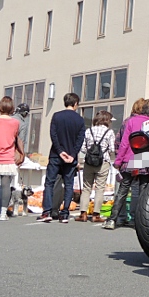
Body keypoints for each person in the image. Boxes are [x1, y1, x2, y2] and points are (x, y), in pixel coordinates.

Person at [105, 98, 149, 230]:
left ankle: (112, 220)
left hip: (130, 158)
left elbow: (124, 143)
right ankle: (140, 222)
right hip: (145, 158)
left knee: (123, 190)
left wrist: (118, 161)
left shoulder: (131, 121)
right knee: (143, 192)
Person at [41, 92, 85, 223]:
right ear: (76, 104)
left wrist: (60, 151)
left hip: (56, 154)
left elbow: (53, 135)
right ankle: (65, 213)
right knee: (69, 184)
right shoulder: (80, 120)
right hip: (71, 157)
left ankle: (47, 211)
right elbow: (80, 139)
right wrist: (73, 154)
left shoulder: (56, 116)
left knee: (50, 183)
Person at [76, 110, 116, 222]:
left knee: (86, 188)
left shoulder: (88, 131)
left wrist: (91, 152)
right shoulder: (109, 132)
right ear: (107, 120)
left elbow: (83, 148)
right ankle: (96, 215)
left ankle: (83, 213)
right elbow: (112, 149)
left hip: (89, 162)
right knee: (100, 189)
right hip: (103, 162)